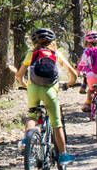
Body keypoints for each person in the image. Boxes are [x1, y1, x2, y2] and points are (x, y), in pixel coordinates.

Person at [15, 27, 79, 162]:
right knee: (57, 123)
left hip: (33, 90)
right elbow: (73, 73)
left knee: (32, 116)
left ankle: (26, 142)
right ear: (52, 41)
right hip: (50, 91)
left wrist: (23, 83)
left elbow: (19, 74)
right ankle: (62, 155)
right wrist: (70, 83)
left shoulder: (32, 54)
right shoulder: (56, 54)